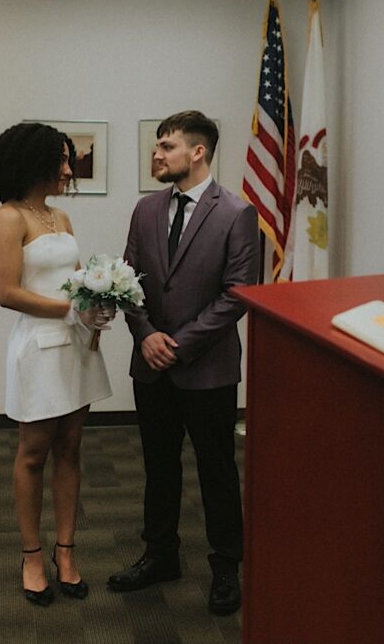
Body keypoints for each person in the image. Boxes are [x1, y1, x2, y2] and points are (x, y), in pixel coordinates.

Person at [107, 110, 259, 616]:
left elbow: (238, 294)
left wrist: (178, 342)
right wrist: (146, 334)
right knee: (158, 465)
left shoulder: (237, 213)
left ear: (198, 152)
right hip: (150, 365)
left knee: (216, 469)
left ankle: (225, 569)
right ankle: (159, 555)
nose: (157, 154)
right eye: (157, 146)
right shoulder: (145, 210)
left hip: (207, 368)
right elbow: (126, 280)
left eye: (167, 146)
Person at [0, 122, 113, 607]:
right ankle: (32, 556)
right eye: (58, 160)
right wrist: (71, 309)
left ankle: (67, 552)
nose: (65, 169)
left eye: (67, 158)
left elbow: (76, 281)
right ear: (30, 163)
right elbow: (7, 293)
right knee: (34, 452)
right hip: (39, 347)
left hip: (78, 347)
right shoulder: (10, 217)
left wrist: (99, 301)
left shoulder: (61, 217)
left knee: (72, 448)